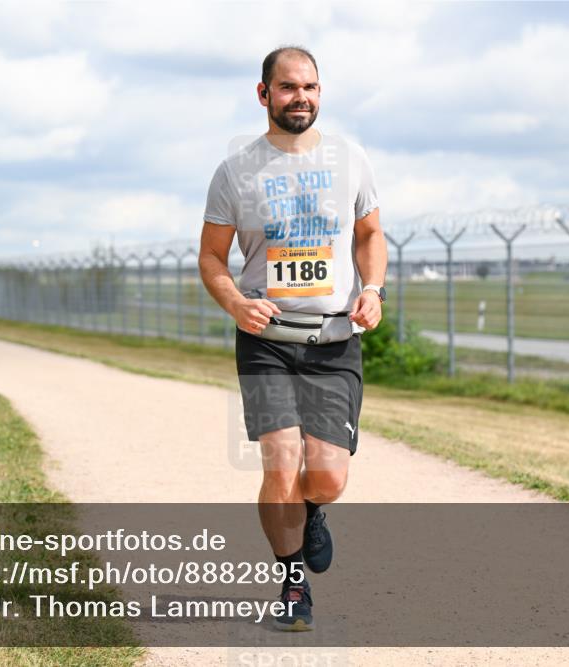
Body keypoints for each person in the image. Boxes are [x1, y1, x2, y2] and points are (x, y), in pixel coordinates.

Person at [198, 46, 387, 632]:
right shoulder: (236, 171)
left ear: (319, 92)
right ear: (264, 95)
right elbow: (211, 256)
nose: (299, 97)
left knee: (327, 475)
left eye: (309, 87)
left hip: (333, 339)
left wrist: (374, 288)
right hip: (267, 340)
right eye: (287, 88)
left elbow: (371, 234)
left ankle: (311, 513)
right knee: (280, 460)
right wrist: (234, 302)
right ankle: (291, 581)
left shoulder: (350, 160)